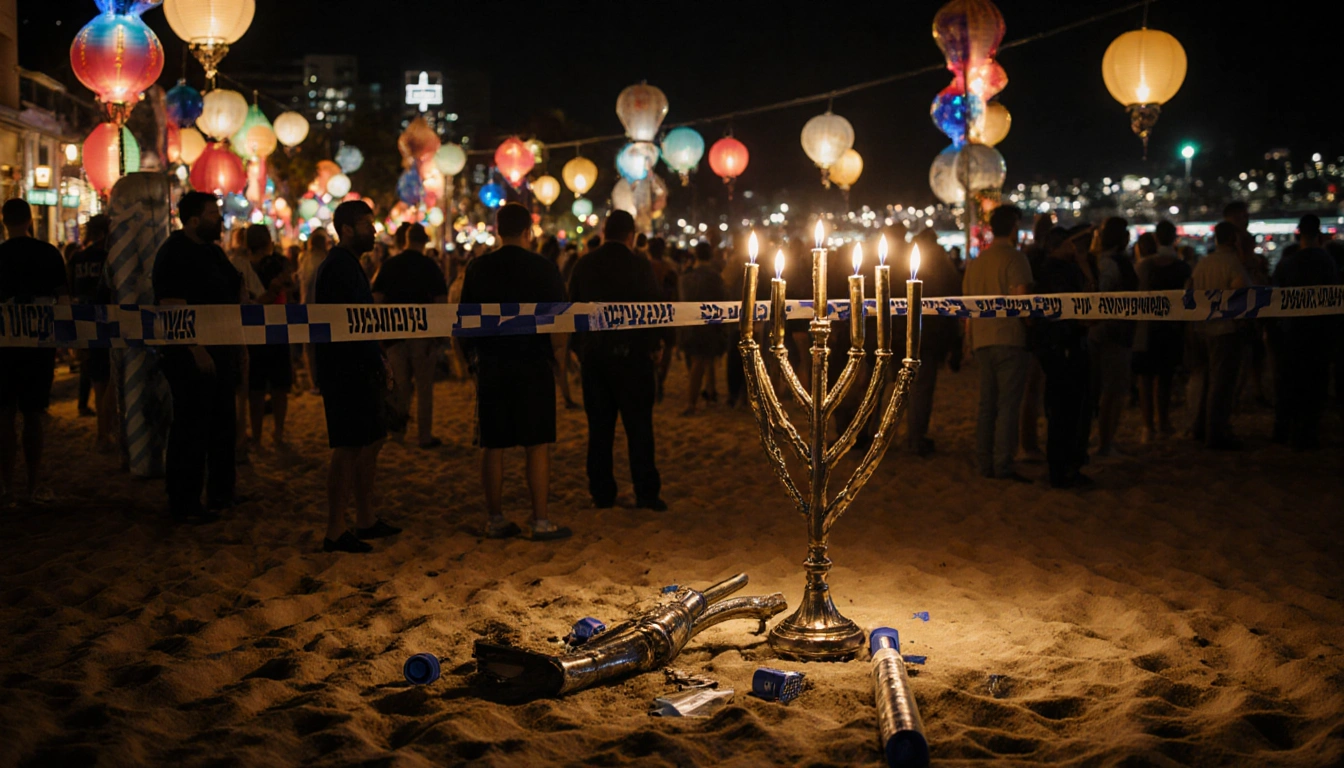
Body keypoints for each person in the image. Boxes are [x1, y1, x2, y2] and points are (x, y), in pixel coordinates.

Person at [459, 203, 571, 541]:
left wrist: (469, 363)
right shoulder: (543, 267)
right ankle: (540, 520)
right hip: (533, 364)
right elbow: (559, 320)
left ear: (497, 229)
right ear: (528, 231)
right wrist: (559, 360)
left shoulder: (479, 267)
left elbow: (463, 321)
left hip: (492, 363)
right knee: (537, 444)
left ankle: (495, 518)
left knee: (493, 445)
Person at [313, 201, 401, 552]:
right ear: (347, 229)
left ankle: (364, 518)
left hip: (359, 366)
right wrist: (375, 358)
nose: (374, 231)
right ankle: (336, 529)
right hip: (345, 369)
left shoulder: (349, 265)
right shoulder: (338, 267)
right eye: (367, 224)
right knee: (347, 448)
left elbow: (362, 321)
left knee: (369, 441)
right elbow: (351, 325)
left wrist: (378, 357)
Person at [569, 211, 669, 511]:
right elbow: (652, 308)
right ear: (631, 234)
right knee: (639, 427)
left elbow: (573, 307)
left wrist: (579, 347)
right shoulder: (640, 266)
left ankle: (602, 492)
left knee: (599, 429)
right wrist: (656, 345)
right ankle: (646, 492)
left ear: (603, 231)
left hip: (596, 357)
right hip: (634, 357)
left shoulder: (584, 264)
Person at [151, 192, 241, 521]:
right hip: (191, 356)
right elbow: (171, 306)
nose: (220, 219)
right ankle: (185, 501)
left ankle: (221, 493)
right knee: (191, 429)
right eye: (213, 214)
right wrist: (195, 348)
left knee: (222, 426)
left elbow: (233, 288)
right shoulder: (174, 253)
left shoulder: (213, 253)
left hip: (222, 350)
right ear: (193, 220)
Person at [0, 199, 69, 505]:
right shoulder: (48, 254)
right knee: (33, 415)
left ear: (4, 222)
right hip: (38, 345)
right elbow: (64, 302)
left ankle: (5, 487)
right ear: (30, 220)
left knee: (3, 416)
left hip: (2, 348)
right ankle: (33, 483)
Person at [963, 205, 1034, 482]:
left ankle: (984, 462)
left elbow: (966, 308)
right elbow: (1022, 300)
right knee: (1007, 405)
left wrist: (968, 342)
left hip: (982, 338)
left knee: (986, 405)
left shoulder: (978, 262)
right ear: (1014, 227)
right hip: (1009, 337)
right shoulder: (1016, 259)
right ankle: (1002, 463)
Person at [372, 223, 448, 448]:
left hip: (395, 334)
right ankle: (424, 435)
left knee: (400, 387)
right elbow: (440, 303)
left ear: (404, 240)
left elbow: (376, 298)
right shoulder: (430, 267)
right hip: (423, 335)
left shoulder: (390, 265)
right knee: (424, 388)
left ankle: (398, 432)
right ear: (424, 242)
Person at [1270, 215, 1340, 451]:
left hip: (1291, 331)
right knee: (1315, 384)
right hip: (1320, 332)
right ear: (1319, 234)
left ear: (1298, 234)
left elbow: (1274, 296)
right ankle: (1307, 433)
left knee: (1288, 381)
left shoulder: (1287, 263)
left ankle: (1282, 429)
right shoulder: (1329, 263)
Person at [1032, 227, 1093, 488]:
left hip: (1057, 346)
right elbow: (1084, 302)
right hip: (1064, 346)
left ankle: (1063, 466)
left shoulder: (1049, 269)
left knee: (1063, 409)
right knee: (1066, 410)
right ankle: (1063, 469)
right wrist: (1084, 265)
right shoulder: (1060, 271)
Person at [1187, 221, 1251, 450]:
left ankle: (1199, 426)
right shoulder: (1233, 263)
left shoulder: (1203, 263)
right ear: (1234, 239)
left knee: (1204, 381)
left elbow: (1190, 289)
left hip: (1201, 328)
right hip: (1224, 330)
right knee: (1221, 384)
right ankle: (1216, 433)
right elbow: (1241, 290)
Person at [904, 229, 962, 456]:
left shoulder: (907, 261)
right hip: (929, 335)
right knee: (921, 389)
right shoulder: (941, 264)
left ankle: (906, 436)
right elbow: (953, 298)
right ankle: (915, 438)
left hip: (908, 333)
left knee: (904, 388)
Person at [1133, 221, 1191, 443]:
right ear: (1175, 238)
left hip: (1146, 326)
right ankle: (1163, 422)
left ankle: (1148, 426)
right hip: (1171, 327)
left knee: (1145, 379)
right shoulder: (1182, 266)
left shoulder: (1144, 266)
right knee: (1165, 377)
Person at [1088, 217, 1138, 457]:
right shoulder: (1113, 264)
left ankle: (1104, 440)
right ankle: (1105, 443)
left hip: (1107, 331)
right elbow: (1104, 298)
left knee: (1106, 390)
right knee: (1113, 390)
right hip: (1113, 332)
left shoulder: (1101, 261)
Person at [243, 225, 296, 450]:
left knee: (255, 387)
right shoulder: (278, 262)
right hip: (277, 327)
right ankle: (278, 433)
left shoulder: (242, 264)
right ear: (268, 242)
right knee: (279, 387)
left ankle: (256, 435)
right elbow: (289, 285)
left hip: (253, 329)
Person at [1224, 201, 1271, 408]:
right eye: (1243, 216)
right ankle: (1238, 395)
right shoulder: (1233, 244)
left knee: (1252, 351)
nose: (1246, 219)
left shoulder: (1239, 242)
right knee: (1242, 354)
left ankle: (1250, 391)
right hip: (1239, 303)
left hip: (1248, 302)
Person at [68, 215, 111, 423]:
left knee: (89, 369)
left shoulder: (77, 258)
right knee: (104, 377)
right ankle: (104, 428)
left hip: (81, 318)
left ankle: (84, 405)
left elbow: (69, 290)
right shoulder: (108, 258)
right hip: (106, 321)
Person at [678, 241, 728, 415]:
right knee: (704, 362)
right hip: (710, 325)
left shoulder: (686, 277)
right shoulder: (715, 277)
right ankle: (693, 401)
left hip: (691, 324)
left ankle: (709, 394)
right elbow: (722, 300)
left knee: (698, 362)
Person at [299, 228, 330, 395]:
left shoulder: (305, 260)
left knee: (310, 347)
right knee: (320, 346)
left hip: (307, 306)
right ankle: (320, 381)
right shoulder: (322, 261)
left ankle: (315, 381)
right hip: (320, 308)